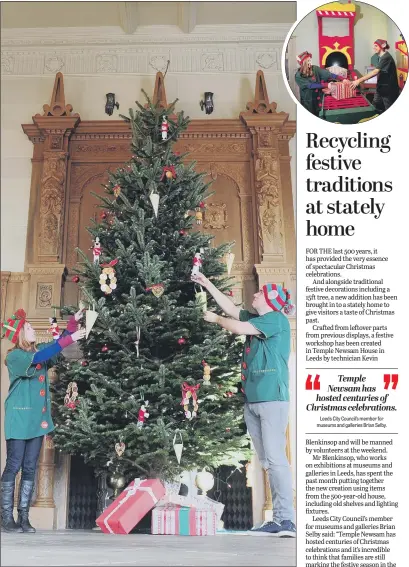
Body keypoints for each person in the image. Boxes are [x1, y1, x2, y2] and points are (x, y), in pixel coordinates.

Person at [191, 273, 296, 537]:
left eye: (261, 293)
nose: (256, 294)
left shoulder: (276, 319)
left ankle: (286, 520)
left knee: (275, 459)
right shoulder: (260, 319)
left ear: (271, 301)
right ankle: (278, 521)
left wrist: (214, 319)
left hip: (272, 398)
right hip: (253, 401)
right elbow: (233, 310)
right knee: (266, 460)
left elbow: (237, 326)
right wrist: (207, 284)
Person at [1, 309, 86, 533]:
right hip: (19, 417)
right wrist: (69, 337)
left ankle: (24, 518)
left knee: (30, 467)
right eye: (29, 328)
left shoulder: (37, 352)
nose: (33, 330)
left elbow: (54, 352)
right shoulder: (15, 356)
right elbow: (40, 357)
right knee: (14, 465)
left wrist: (71, 325)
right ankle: (5, 518)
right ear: (19, 334)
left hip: (37, 420)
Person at [351, 39, 400, 113]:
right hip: (380, 87)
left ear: (382, 47)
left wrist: (358, 80)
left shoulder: (386, 57)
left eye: (376, 46)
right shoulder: (380, 57)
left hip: (388, 90)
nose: (374, 48)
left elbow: (375, 72)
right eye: (374, 46)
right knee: (374, 107)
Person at [295, 51, 349, 116]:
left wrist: (342, 78)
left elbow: (328, 74)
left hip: (318, 98)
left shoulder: (314, 68)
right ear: (303, 63)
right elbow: (310, 85)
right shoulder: (298, 75)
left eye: (310, 60)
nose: (310, 62)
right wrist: (327, 85)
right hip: (308, 101)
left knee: (319, 114)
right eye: (308, 61)